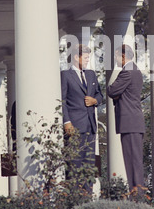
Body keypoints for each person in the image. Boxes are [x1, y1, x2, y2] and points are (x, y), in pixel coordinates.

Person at [107, 44, 146, 192]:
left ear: (123, 56)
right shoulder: (135, 70)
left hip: (130, 122)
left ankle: (137, 196)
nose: (115, 60)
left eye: (116, 56)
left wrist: (116, 94)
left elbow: (111, 90)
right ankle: (137, 194)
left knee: (132, 162)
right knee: (134, 161)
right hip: (133, 122)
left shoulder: (127, 72)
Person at [61, 44, 103, 179]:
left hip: (90, 126)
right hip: (74, 127)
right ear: (75, 57)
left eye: (88, 57)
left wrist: (95, 101)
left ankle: (88, 197)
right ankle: (75, 197)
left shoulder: (91, 74)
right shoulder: (65, 75)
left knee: (90, 166)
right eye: (85, 57)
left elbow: (99, 95)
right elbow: (62, 101)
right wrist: (67, 122)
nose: (87, 60)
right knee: (74, 165)